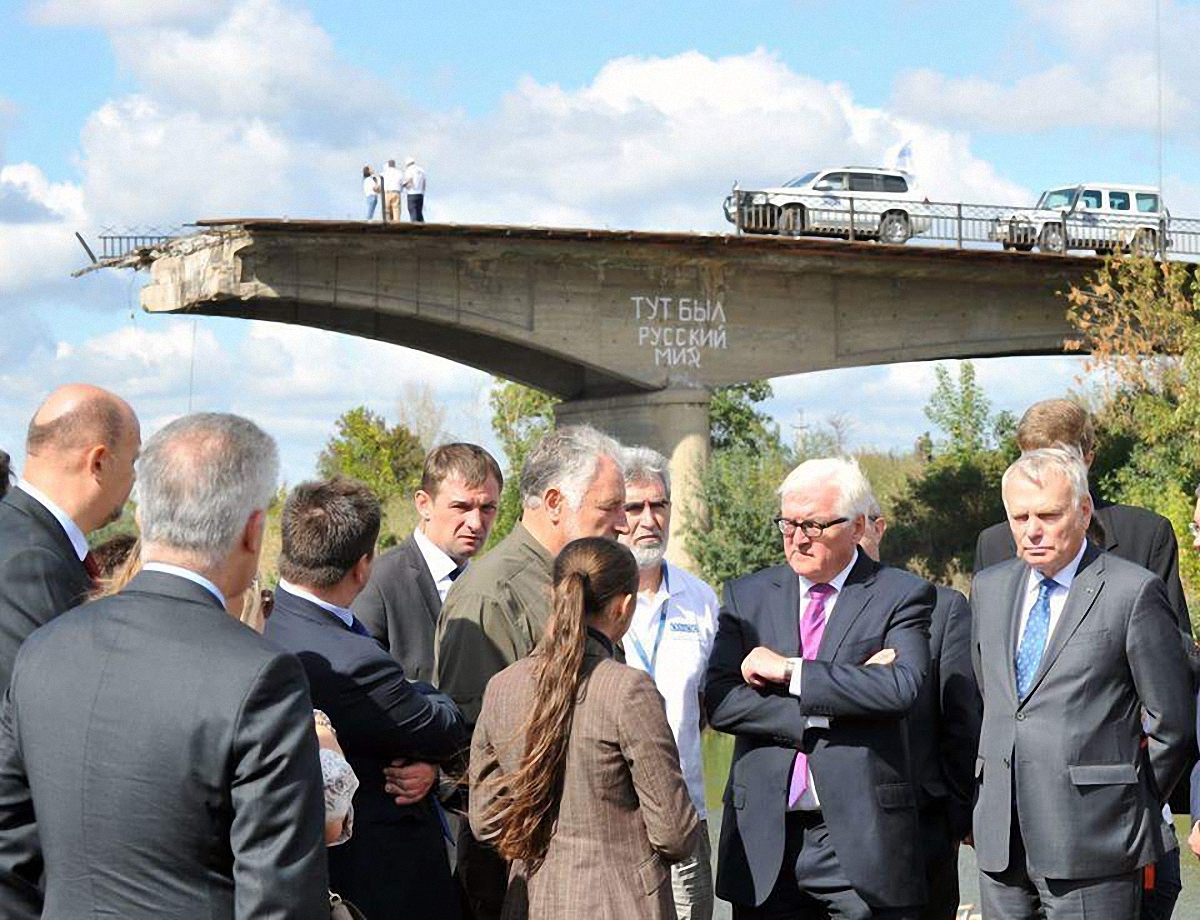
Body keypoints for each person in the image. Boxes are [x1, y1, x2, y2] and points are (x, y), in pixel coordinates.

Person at [0, 412, 328, 920]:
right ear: (253, 531)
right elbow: (280, 899)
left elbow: (10, 852)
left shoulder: (43, 650)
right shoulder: (261, 676)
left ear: (144, 519)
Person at [973, 399, 1193, 918]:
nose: (1032, 530)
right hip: (1003, 844)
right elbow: (992, 698)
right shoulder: (989, 588)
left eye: (1047, 516)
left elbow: (1172, 723)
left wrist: (1122, 800)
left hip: (1097, 842)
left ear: (1083, 510)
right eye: (1020, 517)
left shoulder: (1130, 591)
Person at [706, 456, 935, 919]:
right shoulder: (747, 597)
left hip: (860, 840)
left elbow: (902, 688)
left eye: (813, 524)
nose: (797, 538)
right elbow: (722, 701)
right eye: (788, 524)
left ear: (855, 528)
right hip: (767, 840)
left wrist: (792, 673)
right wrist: (834, 702)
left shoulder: (901, 594)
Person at [435, 424, 627, 920]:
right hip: (521, 872)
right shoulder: (492, 593)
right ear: (557, 502)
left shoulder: (579, 580)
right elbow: (474, 752)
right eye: (609, 508)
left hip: (587, 862)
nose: (623, 523)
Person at [265, 477, 470, 920]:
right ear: (362, 567)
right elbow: (443, 727)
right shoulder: (355, 660)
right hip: (379, 883)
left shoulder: (266, 623)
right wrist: (429, 695)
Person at [470, 537, 699, 920]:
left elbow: (486, 821)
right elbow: (674, 833)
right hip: (621, 902)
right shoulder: (628, 690)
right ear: (623, 607)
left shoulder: (502, 687)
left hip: (531, 901)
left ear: (554, 594)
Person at [974, 399, 1190, 637]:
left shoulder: (1144, 535)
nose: (1043, 470)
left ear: (1088, 459)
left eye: (1058, 459)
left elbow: (1172, 646)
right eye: (1032, 459)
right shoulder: (992, 545)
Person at [859, 499, 980, 920]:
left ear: (879, 528)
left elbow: (961, 720)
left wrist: (958, 817)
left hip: (922, 830)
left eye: (859, 524)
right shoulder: (803, 611)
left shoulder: (942, 607)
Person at [617, 446, 718, 920]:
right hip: (613, 817)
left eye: (659, 505)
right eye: (634, 507)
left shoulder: (700, 599)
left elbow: (707, 703)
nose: (648, 519)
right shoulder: (587, 596)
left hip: (685, 815)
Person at [0, 384, 140, 688]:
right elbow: (33, 704)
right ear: (99, 462)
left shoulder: (27, 536)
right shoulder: (32, 562)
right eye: (133, 461)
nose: (134, 479)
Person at [353, 443, 503, 682]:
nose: (476, 522)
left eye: (487, 508)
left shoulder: (496, 585)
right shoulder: (380, 582)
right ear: (424, 504)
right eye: (460, 507)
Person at [404, 157, 426, 222]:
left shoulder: (409, 170)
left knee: (412, 210)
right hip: (420, 194)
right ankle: (422, 225)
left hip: (412, 193)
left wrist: (405, 186)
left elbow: (410, 181)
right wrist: (422, 192)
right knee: (419, 211)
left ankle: (414, 225)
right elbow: (424, 183)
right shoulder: (421, 170)